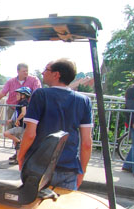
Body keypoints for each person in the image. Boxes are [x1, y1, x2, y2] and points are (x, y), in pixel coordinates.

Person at [17, 59, 93, 190]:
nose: (43, 73)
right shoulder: (84, 101)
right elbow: (87, 143)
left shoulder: (40, 95)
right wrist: (82, 171)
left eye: (46, 70)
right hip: (69, 168)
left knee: (34, 208)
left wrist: (20, 155)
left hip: (39, 167)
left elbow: (30, 134)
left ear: (56, 74)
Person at [0, 63, 41, 128]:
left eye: (27, 71)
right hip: (12, 108)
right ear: (18, 71)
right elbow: (2, 93)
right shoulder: (11, 81)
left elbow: (37, 93)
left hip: (26, 109)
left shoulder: (34, 80)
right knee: (11, 129)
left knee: (25, 129)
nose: (26, 73)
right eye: (24, 71)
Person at [4, 87, 31, 164]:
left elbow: (23, 113)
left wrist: (17, 120)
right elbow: (17, 113)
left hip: (21, 126)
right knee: (16, 143)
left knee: (7, 133)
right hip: (21, 126)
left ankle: (20, 142)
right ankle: (18, 160)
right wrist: (12, 120)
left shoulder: (23, 102)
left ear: (23, 95)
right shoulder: (21, 102)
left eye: (18, 94)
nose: (16, 95)